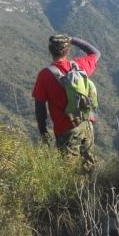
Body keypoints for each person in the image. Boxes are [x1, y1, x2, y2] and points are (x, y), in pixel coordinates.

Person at [32, 34, 101, 173]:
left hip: (65, 129)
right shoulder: (79, 65)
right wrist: (73, 39)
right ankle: (91, 191)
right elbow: (95, 52)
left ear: (50, 50)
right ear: (68, 50)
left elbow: (40, 107)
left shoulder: (45, 75)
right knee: (89, 166)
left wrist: (43, 131)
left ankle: (75, 194)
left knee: (70, 171)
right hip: (86, 124)